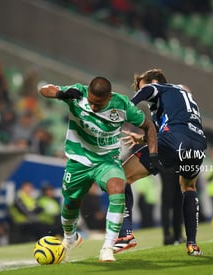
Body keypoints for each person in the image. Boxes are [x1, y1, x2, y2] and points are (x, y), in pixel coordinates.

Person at [38, 76, 158, 262]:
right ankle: (70, 238)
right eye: (92, 102)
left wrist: (153, 154)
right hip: (78, 160)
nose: (93, 107)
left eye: (99, 104)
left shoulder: (122, 105)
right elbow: (44, 89)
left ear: (109, 97)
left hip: (107, 160)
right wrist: (61, 94)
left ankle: (107, 247)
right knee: (71, 203)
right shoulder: (78, 94)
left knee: (118, 187)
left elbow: (148, 126)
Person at [115, 69, 207, 256]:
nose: (145, 92)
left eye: (144, 86)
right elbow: (161, 132)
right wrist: (141, 139)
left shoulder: (159, 88)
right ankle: (192, 245)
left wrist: (128, 106)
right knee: (188, 187)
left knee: (120, 176)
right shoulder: (179, 96)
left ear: (155, 82)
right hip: (197, 143)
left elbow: (148, 92)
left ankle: (125, 235)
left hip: (174, 141)